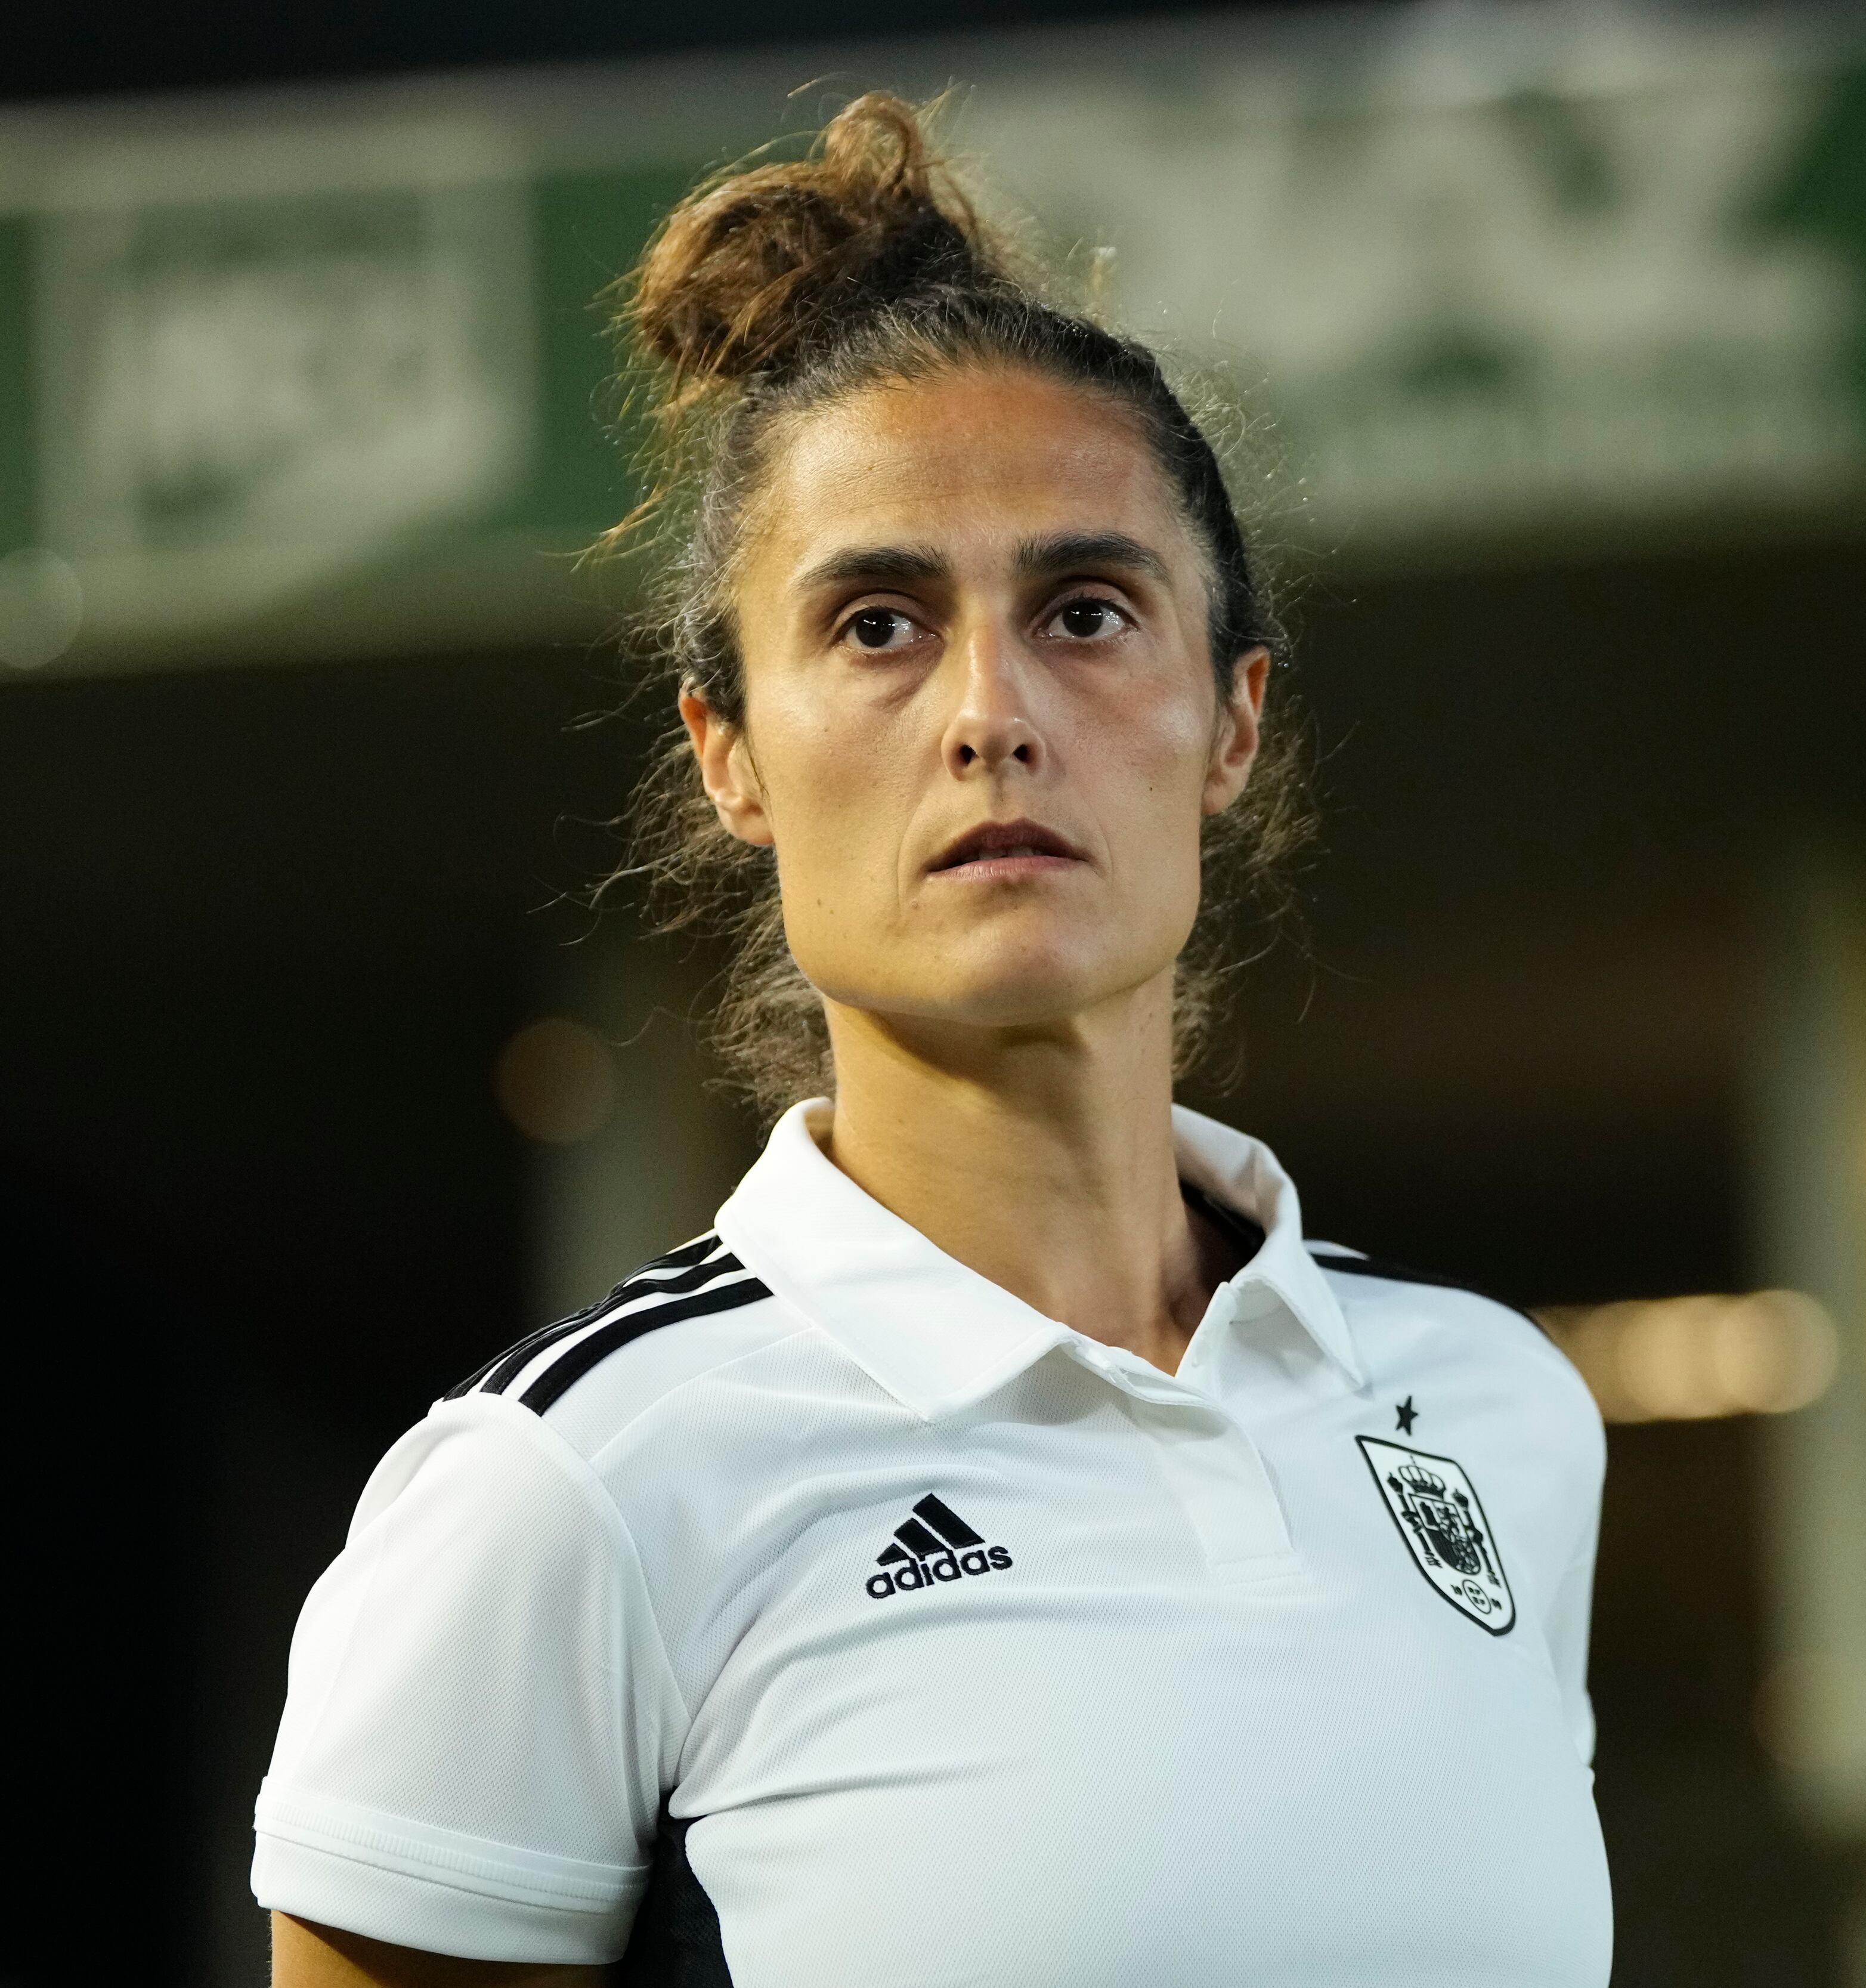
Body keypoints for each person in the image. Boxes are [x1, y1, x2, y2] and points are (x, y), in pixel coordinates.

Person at [253, 93, 1612, 1987]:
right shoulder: (568, 1489)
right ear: (729, 752)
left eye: (1084, 609)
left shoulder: (1495, 1414)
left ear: (1233, 723)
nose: (992, 710)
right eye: (880, 623)